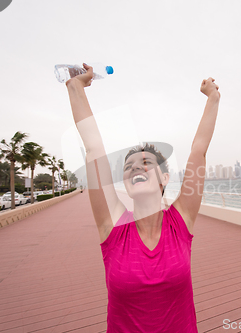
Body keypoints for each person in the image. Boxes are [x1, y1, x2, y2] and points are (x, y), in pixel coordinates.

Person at [65, 64, 220, 332]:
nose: (135, 167)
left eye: (146, 163)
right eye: (129, 166)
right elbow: (93, 150)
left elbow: (199, 152)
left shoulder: (180, 221)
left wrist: (213, 99)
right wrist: (75, 87)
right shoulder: (113, 227)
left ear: (164, 178)